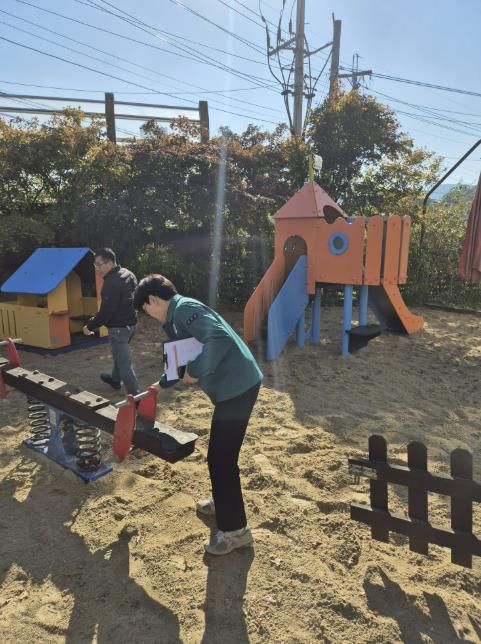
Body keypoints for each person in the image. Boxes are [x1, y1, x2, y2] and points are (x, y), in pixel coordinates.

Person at [133, 274, 263, 556]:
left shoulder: (184, 310)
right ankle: (223, 501)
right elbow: (182, 355)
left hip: (238, 387)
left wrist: (196, 370)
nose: (149, 315)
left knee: (221, 459)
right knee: (220, 456)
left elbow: (218, 338)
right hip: (234, 387)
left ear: (153, 300)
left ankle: (236, 531)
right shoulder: (177, 315)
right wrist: (160, 385)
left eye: (146, 309)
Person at [83, 248, 140, 396]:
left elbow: (106, 312)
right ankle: (115, 379)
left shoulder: (111, 283)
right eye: (95, 265)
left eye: (99, 264)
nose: (97, 268)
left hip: (119, 328)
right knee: (119, 354)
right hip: (131, 325)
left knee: (124, 364)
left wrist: (90, 326)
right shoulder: (128, 274)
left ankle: (137, 398)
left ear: (109, 263)